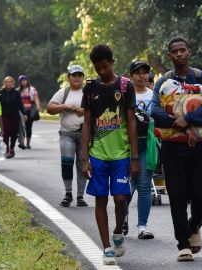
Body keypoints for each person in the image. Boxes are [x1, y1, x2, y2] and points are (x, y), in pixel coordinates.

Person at [151, 36, 202, 261]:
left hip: (201, 147)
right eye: (174, 51)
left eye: (182, 50)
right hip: (172, 149)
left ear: (189, 52)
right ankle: (183, 244)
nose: (179, 54)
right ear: (169, 56)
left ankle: (194, 224)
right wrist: (178, 123)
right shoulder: (163, 82)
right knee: (177, 197)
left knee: (201, 193)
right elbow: (154, 111)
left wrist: (187, 118)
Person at [81, 44, 139, 265]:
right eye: (97, 68)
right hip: (97, 154)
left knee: (121, 198)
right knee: (101, 199)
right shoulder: (90, 88)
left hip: (122, 154)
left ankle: (118, 231)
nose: (101, 71)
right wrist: (84, 158)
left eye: (104, 66)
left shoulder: (125, 86)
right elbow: (87, 123)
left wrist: (134, 156)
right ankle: (107, 248)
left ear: (112, 62)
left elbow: (131, 120)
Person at [47, 64, 88, 207]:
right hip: (67, 134)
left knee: (82, 164)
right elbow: (50, 108)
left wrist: (85, 110)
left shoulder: (88, 92)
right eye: (74, 75)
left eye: (79, 75)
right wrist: (65, 106)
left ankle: (80, 196)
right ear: (68, 77)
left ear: (83, 77)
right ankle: (68, 193)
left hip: (84, 134)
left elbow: (98, 109)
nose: (77, 78)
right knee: (67, 163)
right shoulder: (63, 92)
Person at [125, 60, 155, 239]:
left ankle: (142, 226)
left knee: (144, 186)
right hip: (127, 146)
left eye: (145, 72)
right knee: (126, 186)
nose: (142, 76)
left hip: (147, 146)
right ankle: (122, 219)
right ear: (131, 76)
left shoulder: (154, 96)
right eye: (137, 73)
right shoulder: (124, 95)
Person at [0, 76, 26, 159]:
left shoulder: (16, 93)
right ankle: (7, 150)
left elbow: (20, 103)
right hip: (4, 116)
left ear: (13, 84)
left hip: (14, 115)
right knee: (5, 133)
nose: (8, 83)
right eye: (7, 82)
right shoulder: (0, 93)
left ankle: (12, 148)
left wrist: (24, 113)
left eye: (10, 82)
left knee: (14, 133)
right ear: (4, 83)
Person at [18, 75, 41, 149]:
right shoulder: (18, 90)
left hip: (30, 111)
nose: (24, 82)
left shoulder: (32, 89)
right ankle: (22, 142)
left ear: (27, 81)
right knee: (22, 127)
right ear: (20, 82)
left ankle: (28, 143)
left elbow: (36, 98)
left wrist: (38, 106)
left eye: (25, 80)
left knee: (28, 127)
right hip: (21, 111)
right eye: (22, 80)